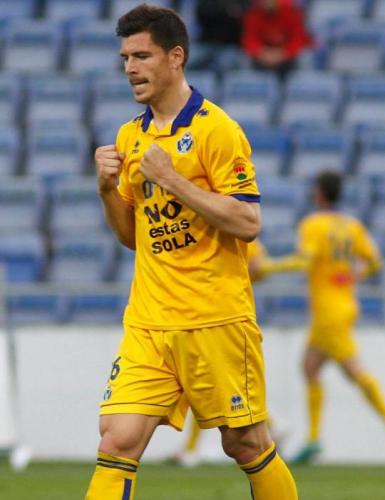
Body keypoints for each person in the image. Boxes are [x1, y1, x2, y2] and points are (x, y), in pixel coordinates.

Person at [85, 6, 297, 499]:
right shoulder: (130, 136)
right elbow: (134, 236)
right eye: (125, 58)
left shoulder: (216, 129)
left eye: (142, 56)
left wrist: (172, 180)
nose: (130, 68)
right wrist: (106, 190)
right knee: (117, 438)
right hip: (149, 321)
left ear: (175, 57)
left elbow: (247, 222)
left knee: (246, 443)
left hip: (214, 319)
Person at [259, 170, 385, 465]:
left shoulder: (314, 224)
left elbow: (304, 261)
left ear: (319, 193)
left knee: (353, 370)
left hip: (328, 312)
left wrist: (266, 267)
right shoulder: (352, 225)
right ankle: (314, 439)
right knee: (310, 367)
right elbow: (375, 262)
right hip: (344, 304)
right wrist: (355, 275)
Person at [173, 239, 272, 467]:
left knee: (206, 385)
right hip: (208, 317)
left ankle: (191, 449)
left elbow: (258, 268)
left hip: (223, 320)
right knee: (208, 385)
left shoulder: (234, 235)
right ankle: (273, 424)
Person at [243, 0, 312, 80]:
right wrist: (262, 53)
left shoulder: (290, 12)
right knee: (244, 58)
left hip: (286, 56)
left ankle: (300, 86)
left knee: (305, 57)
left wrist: (283, 53)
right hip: (262, 56)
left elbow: (298, 39)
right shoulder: (254, 14)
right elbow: (249, 40)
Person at [189, 0, 250, 73]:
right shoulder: (206, 2)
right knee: (187, 61)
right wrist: (226, 10)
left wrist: (224, 11)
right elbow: (203, 15)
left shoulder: (240, 2)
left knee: (227, 65)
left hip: (229, 45)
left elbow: (242, 17)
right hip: (206, 43)